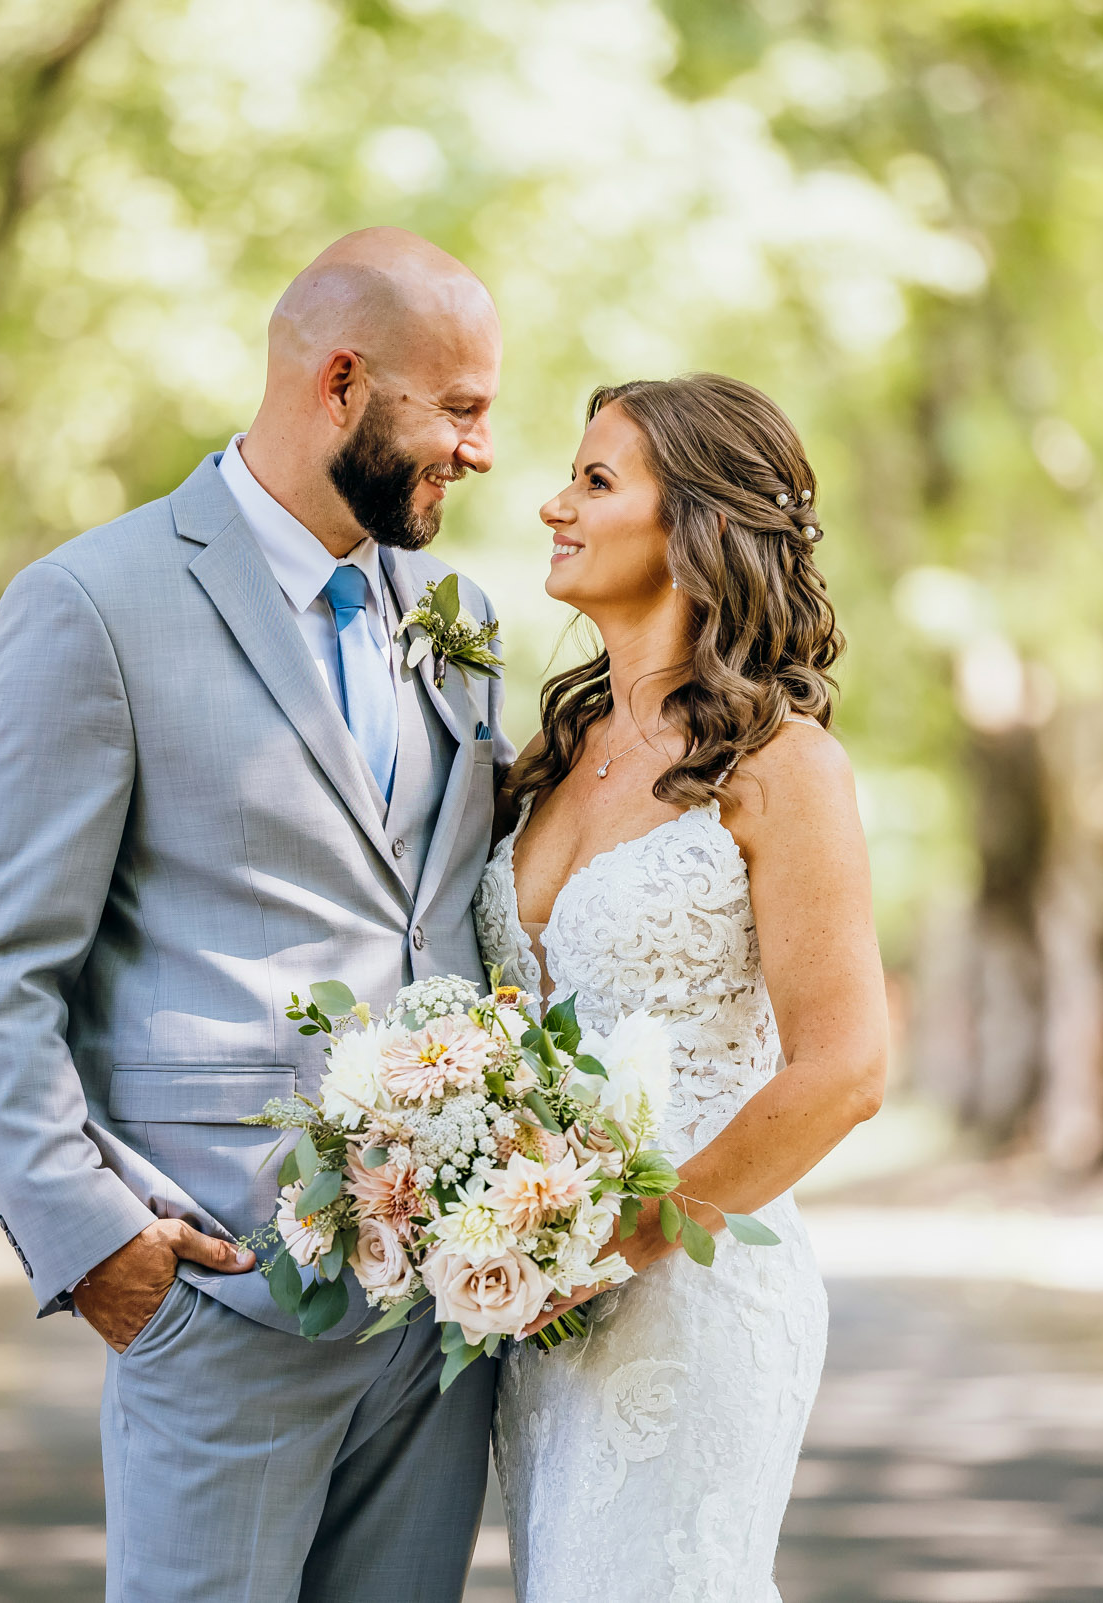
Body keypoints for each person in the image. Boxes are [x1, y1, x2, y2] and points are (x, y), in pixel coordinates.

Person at [0, 227, 509, 1602]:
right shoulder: (93, 604)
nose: (484, 451)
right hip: (224, 1291)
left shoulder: (459, 611)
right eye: (462, 408)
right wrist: (92, 1243)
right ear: (343, 380)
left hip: (438, 1320)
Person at [474, 373, 889, 1599]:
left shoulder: (783, 766)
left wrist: (619, 1238)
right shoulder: (550, 758)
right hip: (537, 1304)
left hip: (692, 1286)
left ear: (695, 525)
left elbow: (845, 1071)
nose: (553, 502)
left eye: (596, 482)